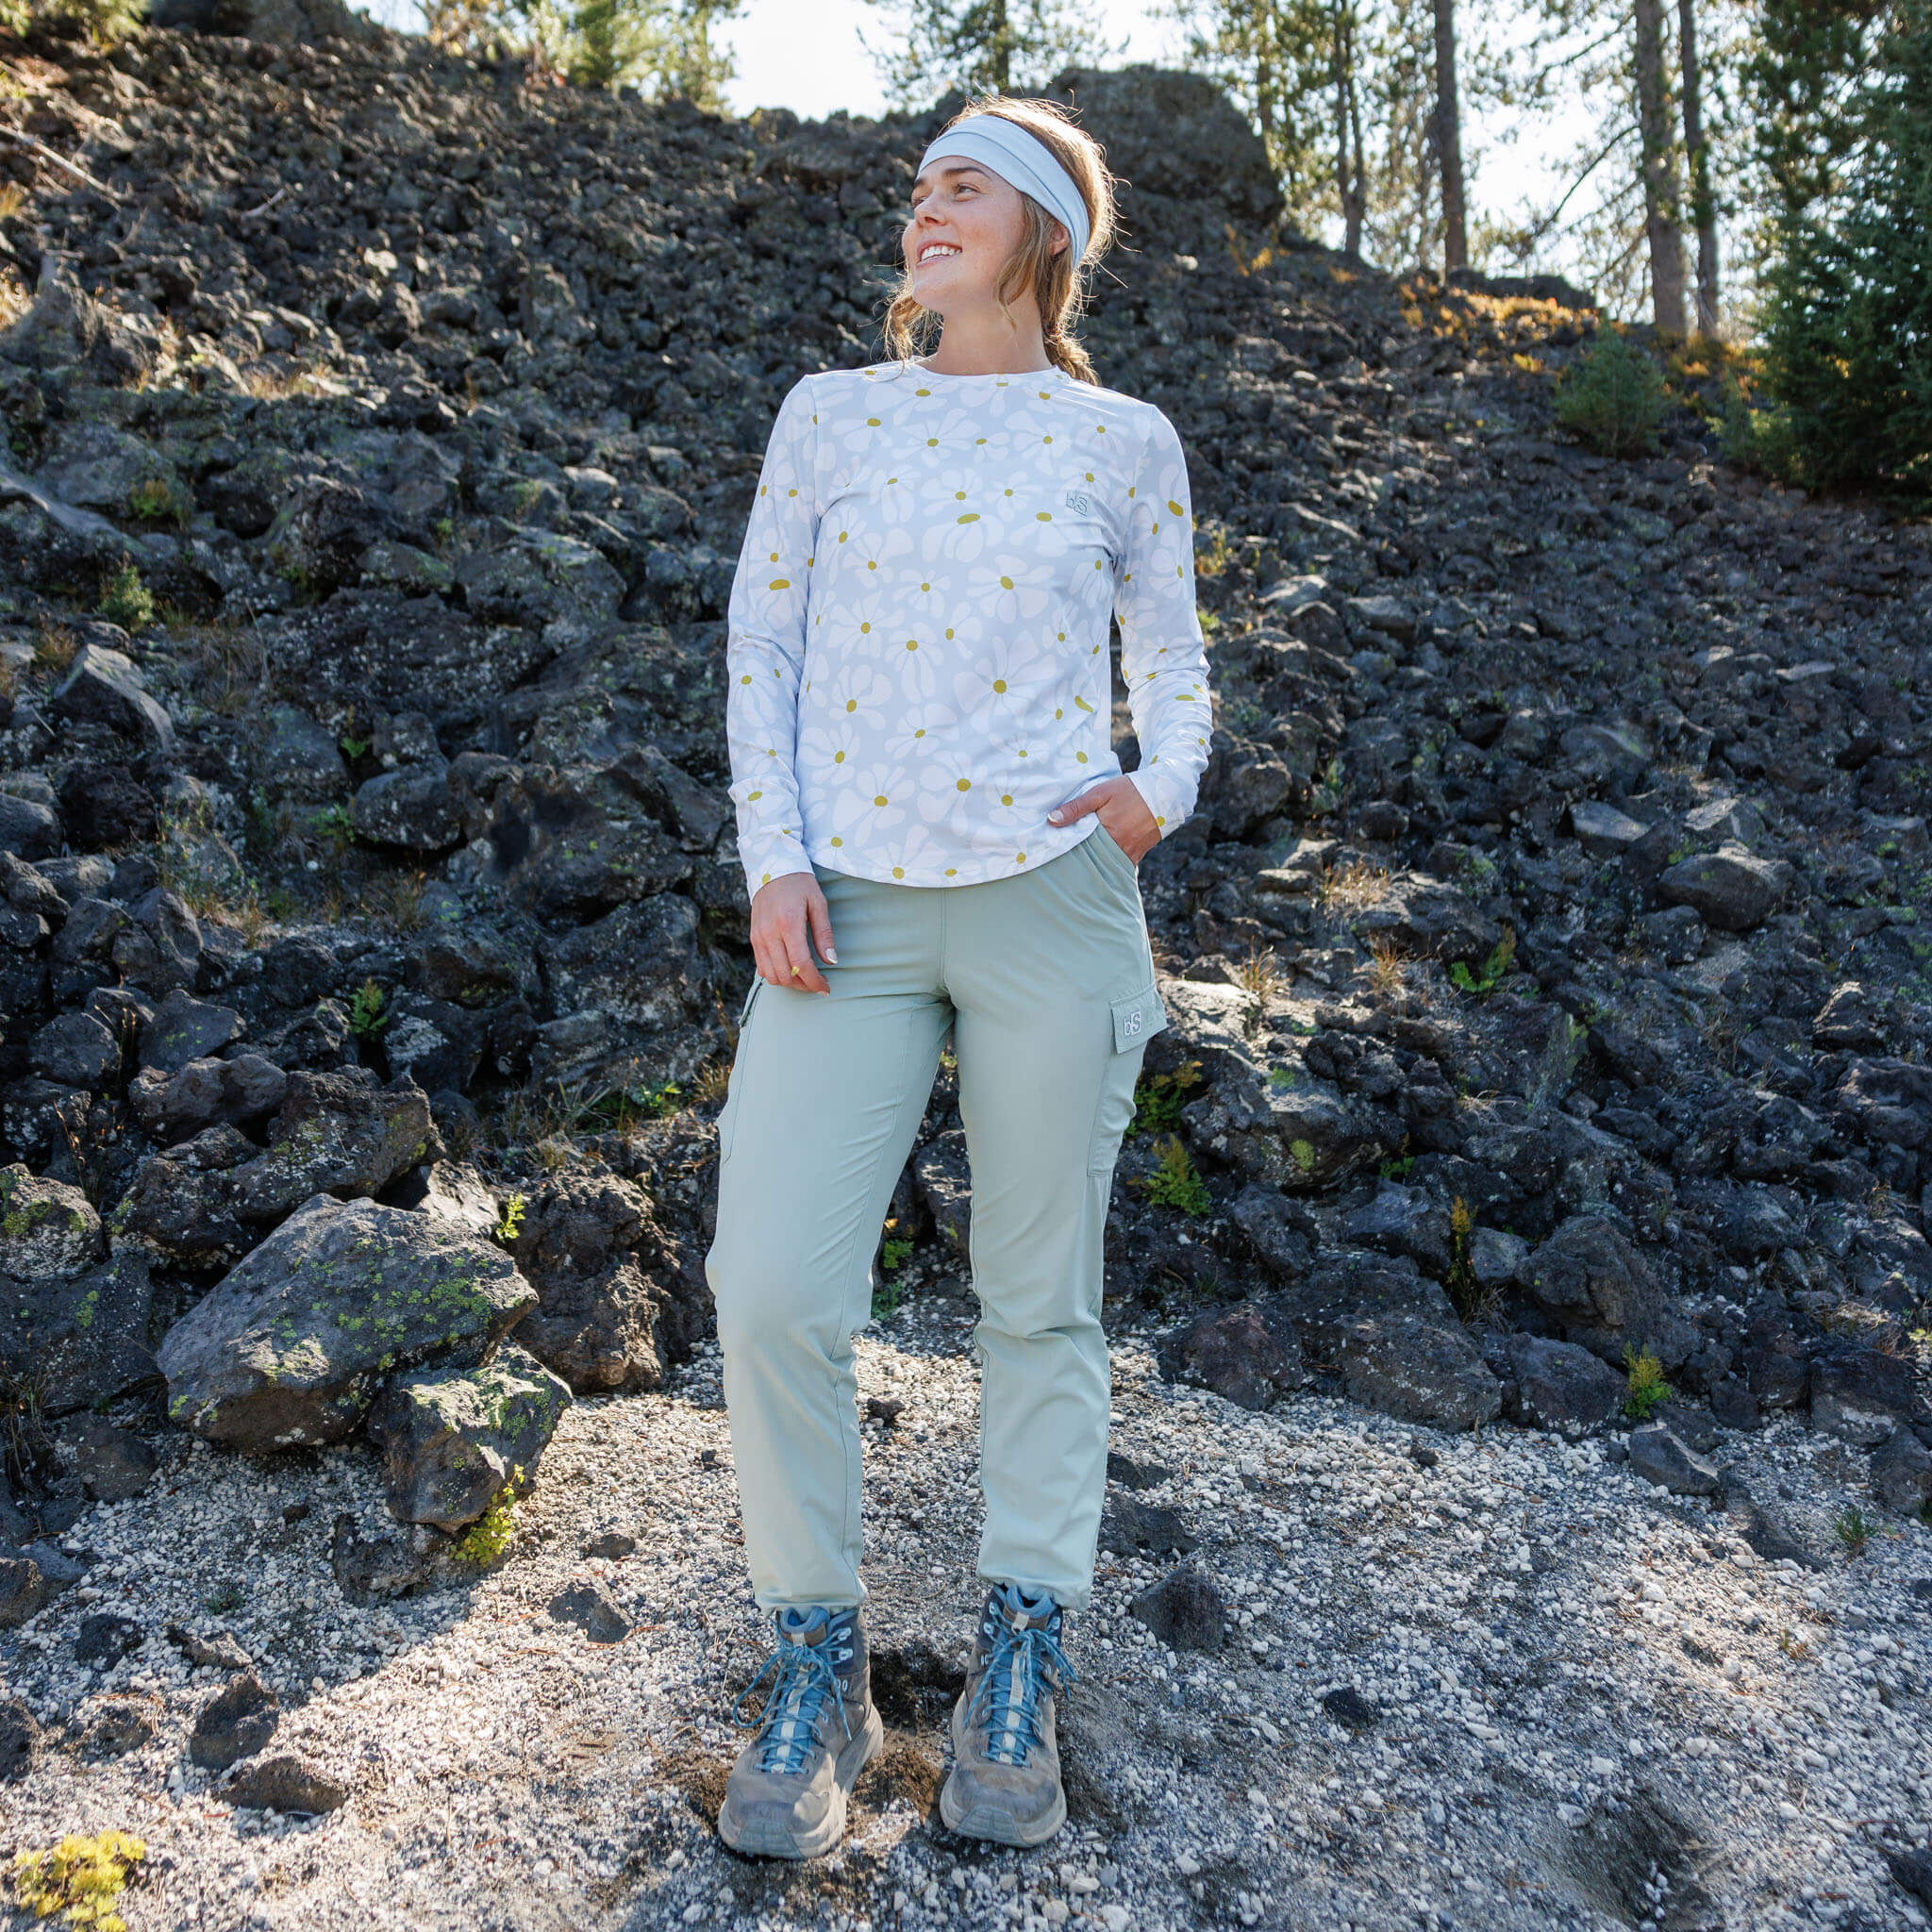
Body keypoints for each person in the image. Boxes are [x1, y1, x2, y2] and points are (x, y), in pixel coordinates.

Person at [703, 92, 1215, 1859]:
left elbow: (1177, 659)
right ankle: (816, 1656)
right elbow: (761, 636)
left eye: (965, 184)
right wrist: (774, 850)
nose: (926, 206)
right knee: (769, 1282)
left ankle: (1022, 1644)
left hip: (1049, 906)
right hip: (841, 903)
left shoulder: (1122, 439)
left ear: (1045, 231)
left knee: (1038, 1297)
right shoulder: (831, 415)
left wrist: (1157, 794)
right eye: (921, 184)